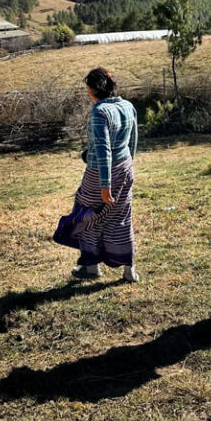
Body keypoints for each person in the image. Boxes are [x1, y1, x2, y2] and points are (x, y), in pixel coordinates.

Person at [64, 67, 140, 282]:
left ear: (92, 89)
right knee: (122, 216)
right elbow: (132, 141)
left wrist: (105, 185)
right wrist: (128, 166)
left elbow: (104, 149)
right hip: (125, 169)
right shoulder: (128, 106)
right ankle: (129, 271)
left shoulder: (100, 112)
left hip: (99, 174)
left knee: (86, 216)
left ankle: (91, 268)